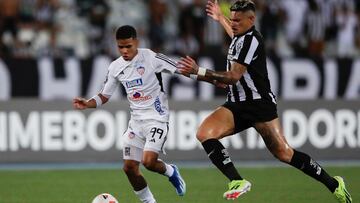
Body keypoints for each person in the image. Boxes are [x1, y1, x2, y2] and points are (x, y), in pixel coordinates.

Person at [177, 1, 353, 202]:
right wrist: (219, 18)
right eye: (232, 19)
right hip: (236, 103)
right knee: (204, 133)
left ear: (251, 19)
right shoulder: (239, 36)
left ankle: (334, 184)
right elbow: (233, 35)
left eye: (237, 20)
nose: (233, 24)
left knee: (284, 153)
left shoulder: (253, 40)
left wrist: (198, 71)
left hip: (259, 105)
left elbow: (233, 77)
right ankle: (237, 181)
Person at [73, 25, 186, 203]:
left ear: (136, 42)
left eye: (128, 46)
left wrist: (210, 77)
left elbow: (182, 68)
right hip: (136, 123)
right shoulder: (115, 67)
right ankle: (149, 202)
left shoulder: (150, 57)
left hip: (157, 118)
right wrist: (88, 103)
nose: (124, 51)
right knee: (129, 168)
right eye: (120, 47)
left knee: (149, 162)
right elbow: (104, 95)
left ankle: (171, 171)